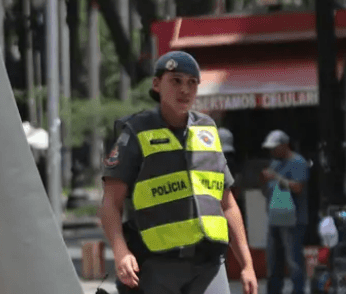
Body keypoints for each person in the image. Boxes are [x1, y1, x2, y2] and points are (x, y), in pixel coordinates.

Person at [98, 50, 259, 294]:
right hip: (157, 268)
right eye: (176, 81)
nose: (185, 90)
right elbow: (111, 202)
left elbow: (227, 204)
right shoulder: (135, 131)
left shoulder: (207, 131)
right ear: (156, 84)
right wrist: (121, 252)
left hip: (209, 265)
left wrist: (247, 265)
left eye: (192, 83)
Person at [259, 130, 310, 294]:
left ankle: (298, 290)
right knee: (273, 260)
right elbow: (269, 189)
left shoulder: (298, 162)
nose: (272, 151)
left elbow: (298, 188)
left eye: (275, 148)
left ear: (284, 145)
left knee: (293, 260)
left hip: (293, 220)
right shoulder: (275, 162)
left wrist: (276, 177)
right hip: (275, 218)